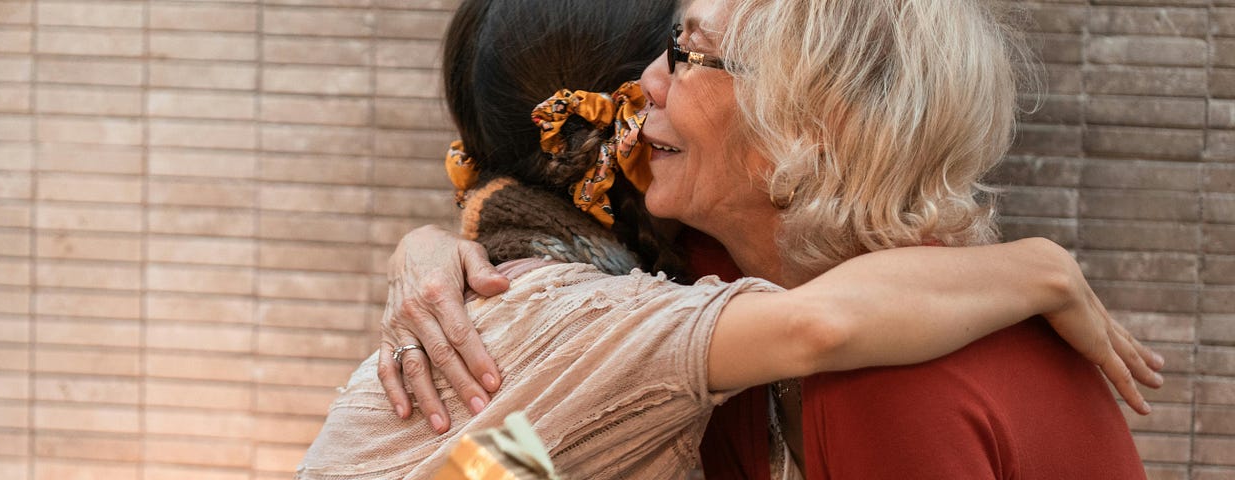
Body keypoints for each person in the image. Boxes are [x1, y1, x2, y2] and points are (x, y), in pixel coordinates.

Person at [300, 0, 1161, 478]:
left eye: (687, 55)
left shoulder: (889, 368)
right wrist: (429, 249)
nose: (641, 92)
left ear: (809, 127)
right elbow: (523, 448)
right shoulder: (697, 297)